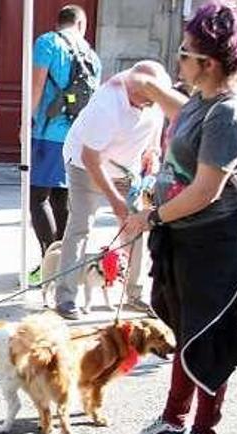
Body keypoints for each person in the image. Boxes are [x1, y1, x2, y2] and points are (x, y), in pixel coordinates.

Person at [118, 0, 237, 434]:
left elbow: (205, 190)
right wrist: (155, 89)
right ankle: (173, 421)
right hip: (184, 240)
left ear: (210, 63)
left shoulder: (228, 113)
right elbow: (184, 120)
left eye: (184, 54)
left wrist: (151, 217)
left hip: (214, 244)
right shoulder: (203, 98)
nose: (177, 59)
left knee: (207, 339)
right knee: (184, 333)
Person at [53, 61, 169, 320]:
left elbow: (155, 130)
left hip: (128, 169)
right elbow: (91, 157)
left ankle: (135, 293)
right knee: (81, 225)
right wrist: (115, 200)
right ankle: (66, 297)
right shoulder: (107, 104)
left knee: (139, 222)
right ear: (134, 90)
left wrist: (153, 152)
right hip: (85, 165)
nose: (151, 104)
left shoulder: (154, 95)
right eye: (147, 100)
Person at [27, 5, 100, 283]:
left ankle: (49, 262)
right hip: (78, 135)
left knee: (38, 197)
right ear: (81, 25)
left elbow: (36, 86)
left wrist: (26, 121)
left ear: (61, 23)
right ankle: (65, 264)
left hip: (48, 132)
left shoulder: (47, 43)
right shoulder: (92, 55)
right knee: (61, 198)